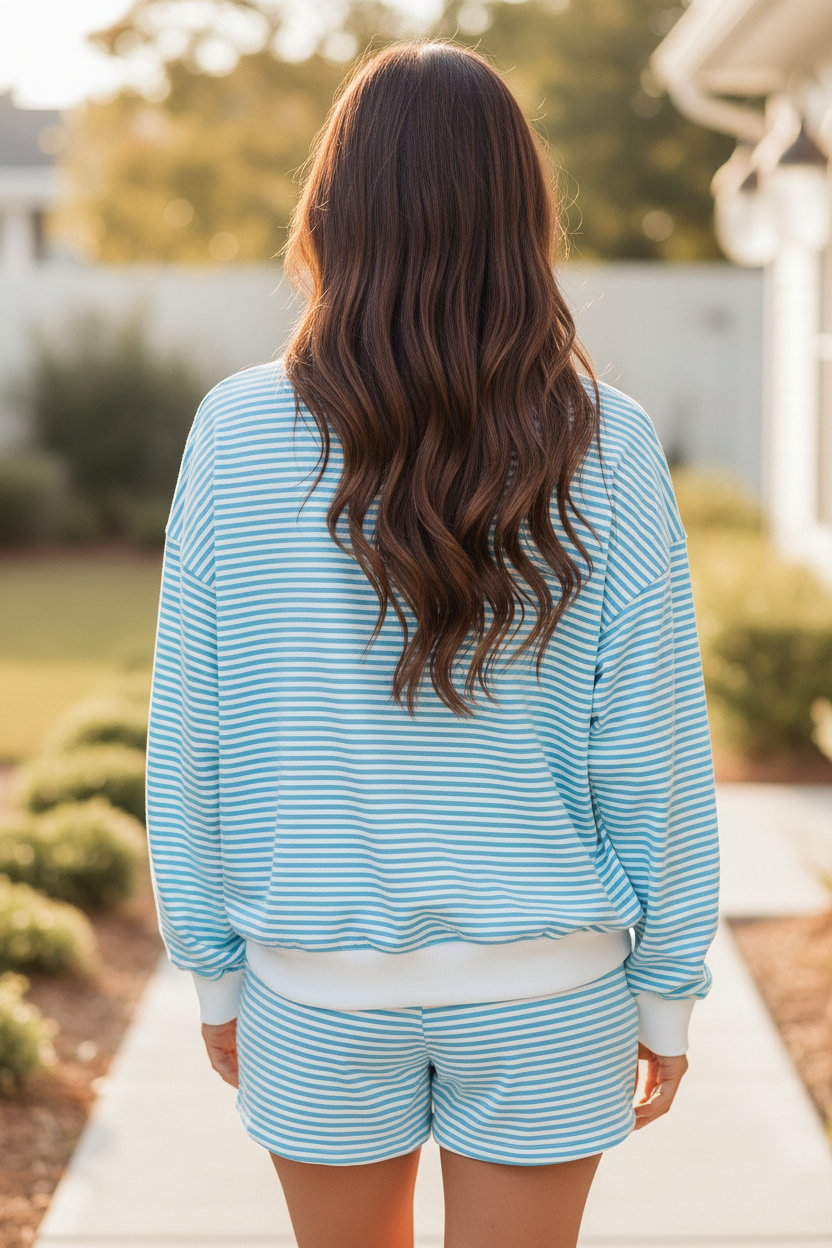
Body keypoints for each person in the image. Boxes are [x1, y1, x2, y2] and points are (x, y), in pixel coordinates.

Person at [146, 40, 719, 1248]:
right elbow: (652, 749)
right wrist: (665, 990)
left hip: (316, 991)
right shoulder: (605, 443)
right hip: (550, 995)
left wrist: (210, 965)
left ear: (330, 211)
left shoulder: (236, 434)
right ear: (522, 216)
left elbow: (191, 731)